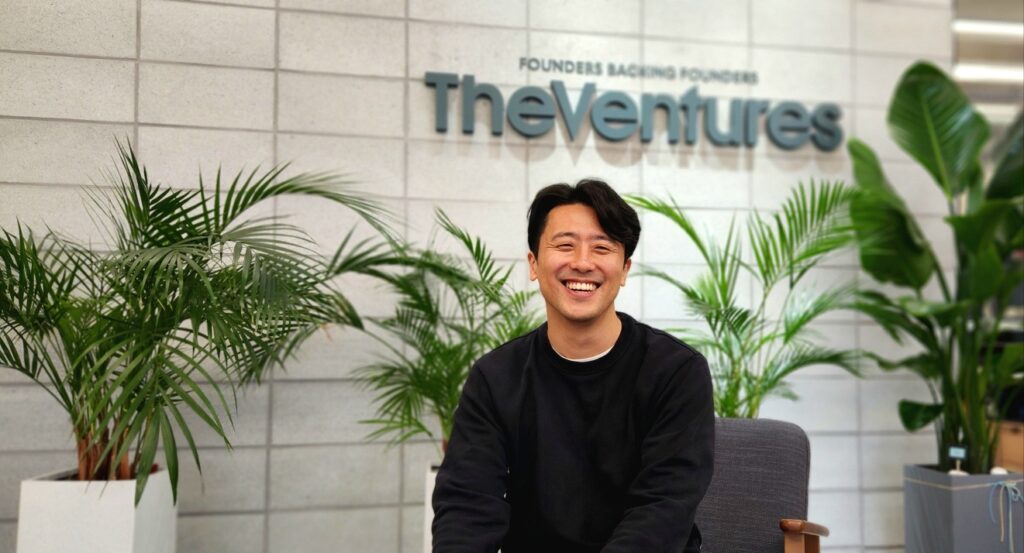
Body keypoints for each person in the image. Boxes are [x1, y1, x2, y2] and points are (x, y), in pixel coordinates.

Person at [432, 179, 715, 553]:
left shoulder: (676, 372)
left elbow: (663, 511)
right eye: (565, 245)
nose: (582, 263)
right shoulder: (495, 378)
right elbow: (466, 506)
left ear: (624, 269)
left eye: (602, 247)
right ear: (534, 264)